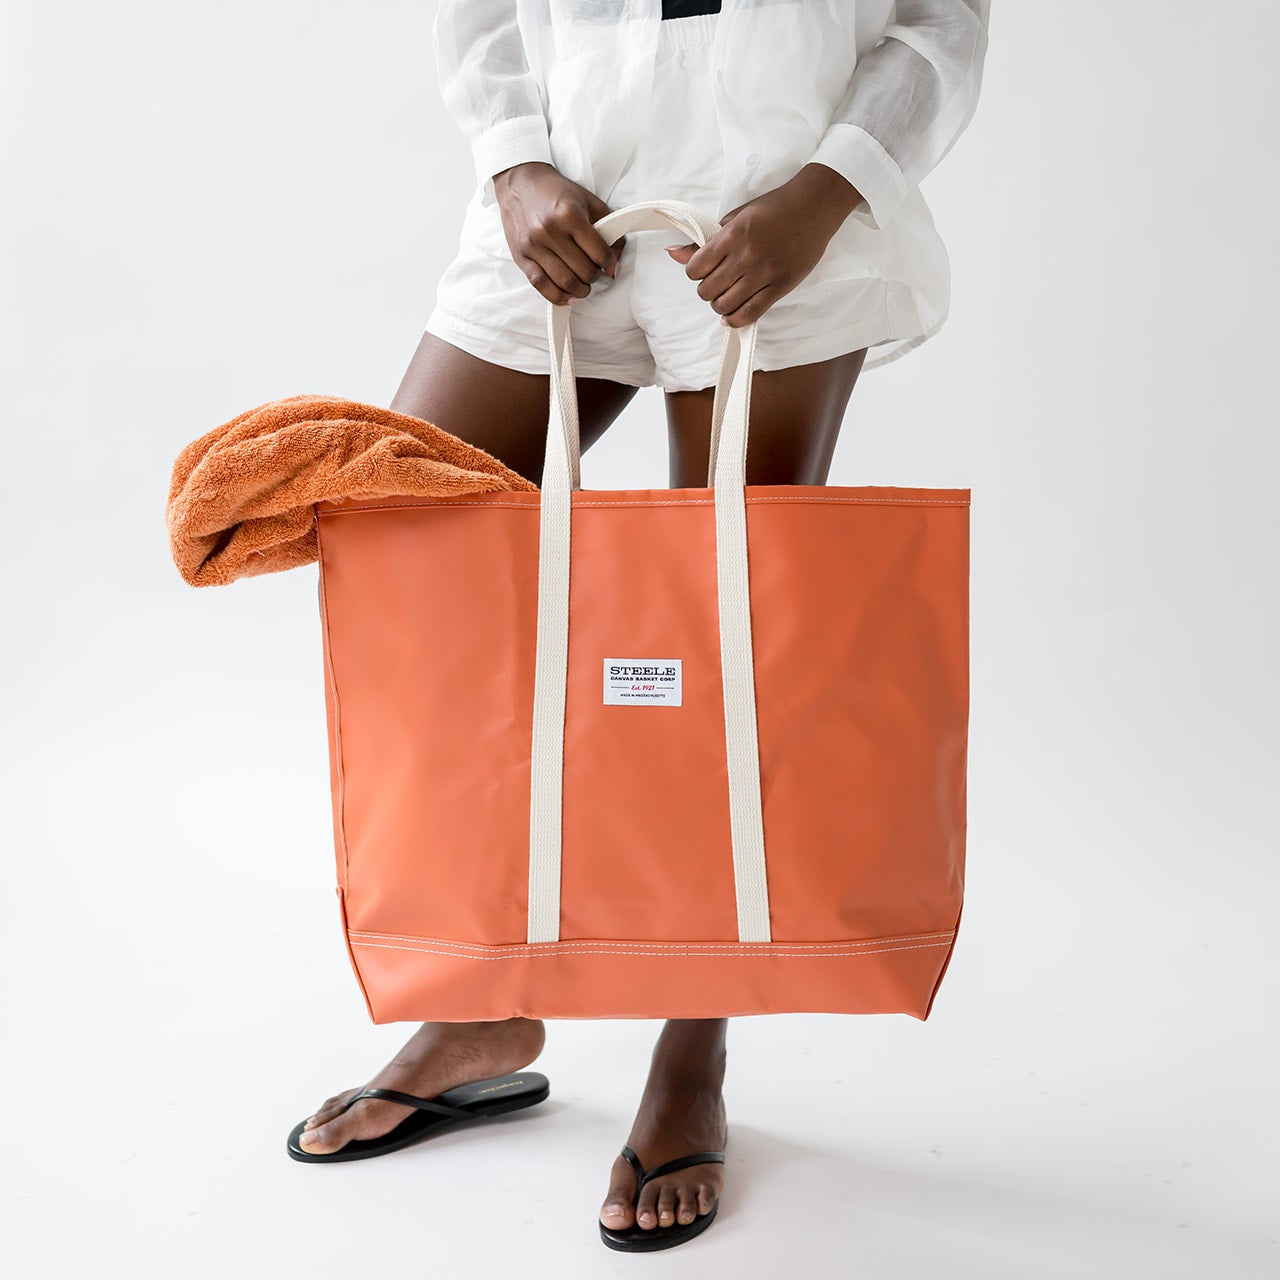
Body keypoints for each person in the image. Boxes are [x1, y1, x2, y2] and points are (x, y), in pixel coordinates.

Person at [292, 0, 990, 1252]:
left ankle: (693, 1043)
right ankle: (481, 998)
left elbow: (937, 23)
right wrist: (510, 162)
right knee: (415, 576)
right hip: (561, 200)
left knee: (730, 659)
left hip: (770, 215)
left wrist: (827, 192)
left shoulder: (802, 208)